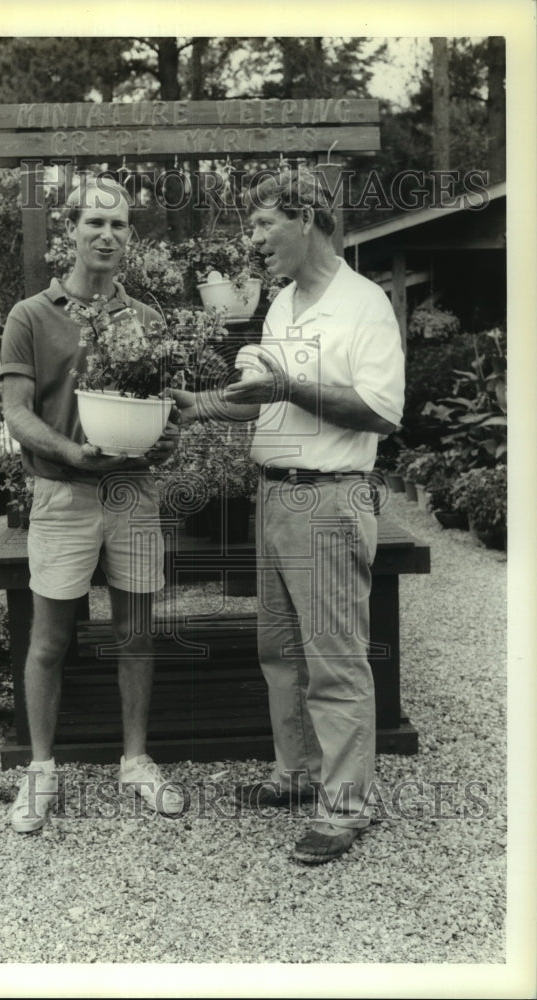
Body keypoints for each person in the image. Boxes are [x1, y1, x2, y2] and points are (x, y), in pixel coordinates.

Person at [171, 166, 405, 863]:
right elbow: (262, 393)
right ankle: (298, 774)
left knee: (334, 661)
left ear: (307, 218)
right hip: (273, 493)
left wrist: (292, 384)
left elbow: (382, 412)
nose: (253, 240)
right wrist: (204, 406)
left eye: (264, 224)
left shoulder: (364, 304)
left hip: (330, 499)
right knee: (279, 651)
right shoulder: (280, 305)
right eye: (251, 227)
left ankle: (345, 811)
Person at [0, 176, 184, 833]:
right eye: (94, 223)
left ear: (130, 237)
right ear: (70, 231)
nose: (107, 234)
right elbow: (17, 413)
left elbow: (159, 412)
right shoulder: (31, 316)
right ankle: (42, 769)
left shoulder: (147, 320)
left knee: (135, 635)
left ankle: (135, 759)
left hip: (132, 492)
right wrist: (73, 455)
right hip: (63, 491)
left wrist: (161, 445)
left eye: (120, 225)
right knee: (50, 639)